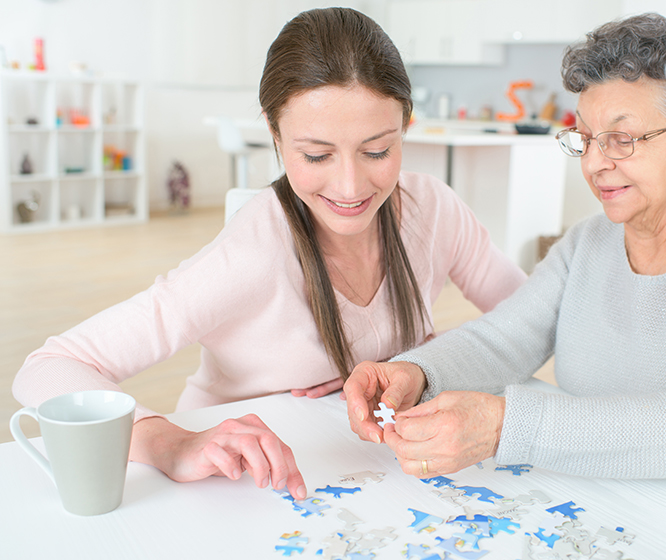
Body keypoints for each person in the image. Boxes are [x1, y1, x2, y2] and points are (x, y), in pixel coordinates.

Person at [12, 7, 526, 500]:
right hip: (240, 485)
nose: (350, 187)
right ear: (274, 133)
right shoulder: (252, 253)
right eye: (316, 155)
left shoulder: (432, 209)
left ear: (406, 124)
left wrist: (419, 362)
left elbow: (534, 322)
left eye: (376, 151)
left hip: (369, 476)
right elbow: (49, 366)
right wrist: (169, 442)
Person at [345, 13, 666, 501]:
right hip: (634, 502)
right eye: (585, 139)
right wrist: (414, 371)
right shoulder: (587, 244)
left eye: (622, 139)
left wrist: (503, 426)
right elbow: (502, 339)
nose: (595, 162)